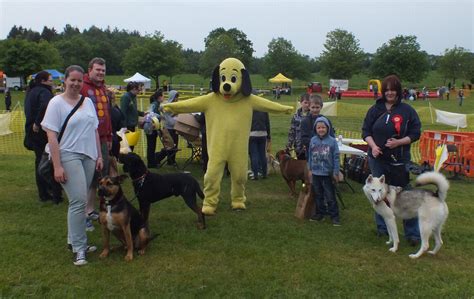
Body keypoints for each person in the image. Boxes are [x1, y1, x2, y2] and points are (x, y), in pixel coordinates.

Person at [41, 65, 103, 266]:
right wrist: (57, 166)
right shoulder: (56, 103)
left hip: (89, 156)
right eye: (72, 80)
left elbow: (94, 130)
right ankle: (79, 248)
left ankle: (72, 241)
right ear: (65, 81)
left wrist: (99, 155)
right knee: (78, 201)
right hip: (68, 154)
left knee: (80, 201)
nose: (76, 84)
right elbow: (51, 135)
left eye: (79, 81)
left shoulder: (87, 103)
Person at [361, 74, 421, 245]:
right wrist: (372, 146)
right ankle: (383, 228)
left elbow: (416, 133)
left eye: (393, 90)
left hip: (399, 159)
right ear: (383, 92)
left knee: (405, 195)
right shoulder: (374, 110)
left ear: (398, 91)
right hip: (378, 159)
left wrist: (399, 142)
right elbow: (365, 131)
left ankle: (412, 233)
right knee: (378, 193)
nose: (390, 93)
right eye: (386, 90)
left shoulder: (407, 110)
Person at [81, 57, 112, 231]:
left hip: (102, 139)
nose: (100, 73)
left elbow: (106, 116)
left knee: (98, 178)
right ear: (90, 70)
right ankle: (83, 215)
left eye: (103, 70)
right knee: (85, 179)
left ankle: (91, 210)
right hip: (86, 141)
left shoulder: (103, 89)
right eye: (97, 70)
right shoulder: (83, 87)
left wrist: (108, 137)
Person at [24, 71, 63, 203]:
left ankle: (44, 191)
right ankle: (50, 191)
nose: (52, 83)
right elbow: (45, 105)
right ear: (43, 81)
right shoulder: (44, 92)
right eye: (50, 80)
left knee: (39, 161)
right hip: (41, 131)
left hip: (32, 131)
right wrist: (37, 122)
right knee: (47, 161)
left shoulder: (31, 91)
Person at [308, 116, 340, 226]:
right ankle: (320, 213)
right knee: (318, 194)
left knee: (330, 195)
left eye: (323, 127)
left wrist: (336, 172)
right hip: (316, 173)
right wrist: (310, 169)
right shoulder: (313, 140)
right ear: (315, 129)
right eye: (318, 128)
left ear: (328, 128)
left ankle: (334, 216)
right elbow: (310, 156)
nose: (321, 130)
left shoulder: (332, 142)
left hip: (328, 174)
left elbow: (336, 157)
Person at [300, 94, 335, 159]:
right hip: (311, 155)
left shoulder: (326, 121)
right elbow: (304, 139)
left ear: (321, 107)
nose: (315, 110)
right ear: (309, 107)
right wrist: (318, 143)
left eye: (317, 107)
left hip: (326, 155)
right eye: (313, 107)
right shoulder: (305, 121)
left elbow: (332, 137)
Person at [155, 90, 180, 166]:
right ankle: (157, 158)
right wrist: (177, 119)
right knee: (170, 147)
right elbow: (170, 121)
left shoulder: (174, 106)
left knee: (174, 145)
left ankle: (171, 161)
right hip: (168, 129)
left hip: (174, 129)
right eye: (176, 97)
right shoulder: (167, 106)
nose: (177, 99)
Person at [286, 93, 310, 160]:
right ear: (301, 103)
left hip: (309, 147)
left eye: (309, 103)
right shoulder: (296, 116)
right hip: (298, 146)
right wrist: (289, 144)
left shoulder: (312, 116)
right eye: (305, 103)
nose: (307, 105)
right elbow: (292, 131)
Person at [249, 110, 271, 180]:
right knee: (262, 155)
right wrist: (268, 136)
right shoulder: (264, 110)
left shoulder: (250, 109)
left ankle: (255, 174)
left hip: (252, 133)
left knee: (254, 155)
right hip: (263, 133)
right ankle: (264, 174)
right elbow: (267, 123)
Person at [145, 89, 164, 167]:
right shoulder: (155, 105)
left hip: (152, 128)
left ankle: (152, 162)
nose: (164, 97)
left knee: (151, 146)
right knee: (151, 146)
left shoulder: (156, 104)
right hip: (151, 128)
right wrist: (160, 116)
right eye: (163, 96)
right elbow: (151, 115)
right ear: (159, 97)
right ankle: (151, 163)